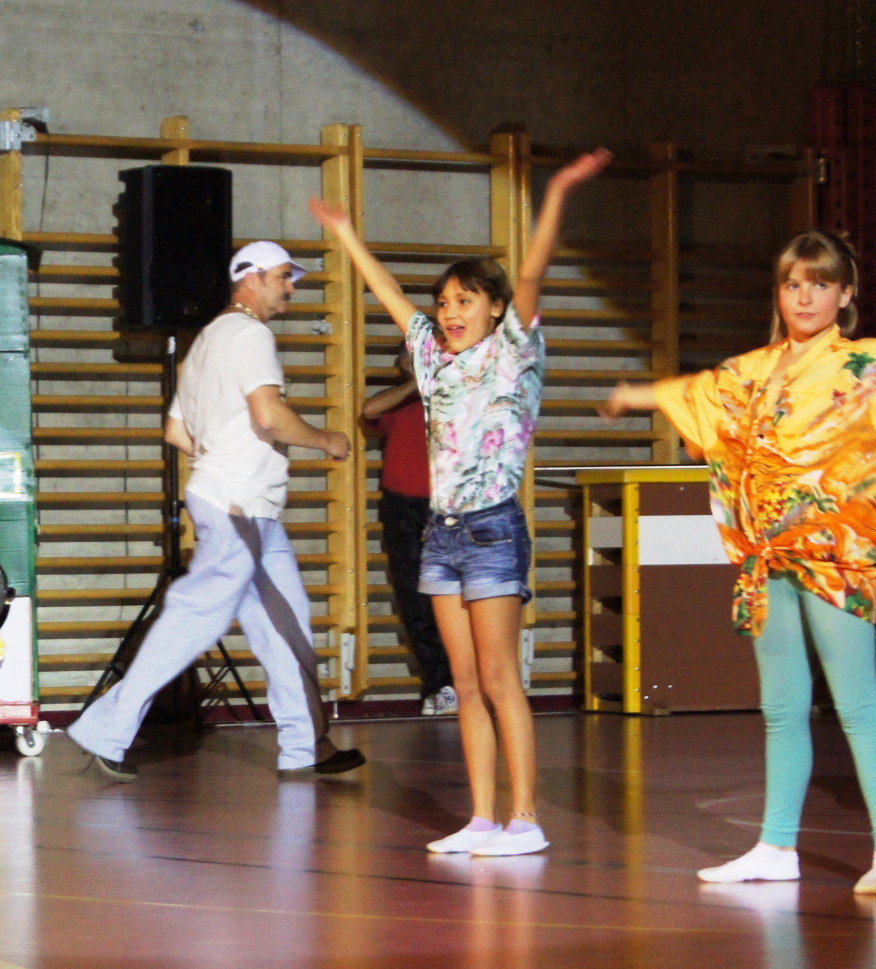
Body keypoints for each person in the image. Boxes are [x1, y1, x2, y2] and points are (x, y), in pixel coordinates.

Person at [601, 230, 876, 894]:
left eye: (820, 284)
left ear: (846, 294)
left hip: (833, 557)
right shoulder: (752, 369)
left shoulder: (869, 364)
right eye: (793, 284)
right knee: (781, 707)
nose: (805, 297)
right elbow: (700, 391)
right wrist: (636, 395)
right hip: (764, 558)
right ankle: (776, 845)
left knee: (857, 703)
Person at [311, 147, 611, 856]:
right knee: (465, 682)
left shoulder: (512, 351)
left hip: (492, 529)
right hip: (440, 533)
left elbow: (531, 271)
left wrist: (558, 193)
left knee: (502, 679)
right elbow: (389, 293)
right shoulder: (431, 361)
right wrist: (347, 234)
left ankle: (526, 817)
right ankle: (481, 817)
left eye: (465, 300)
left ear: (496, 308)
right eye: (444, 302)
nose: (449, 312)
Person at [66, 241, 365, 781]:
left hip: (242, 502)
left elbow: (176, 431)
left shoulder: (205, 342)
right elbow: (269, 416)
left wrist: (220, 458)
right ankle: (106, 729)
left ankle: (306, 744)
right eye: (283, 276)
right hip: (239, 503)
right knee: (193, 617)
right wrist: (327, 441)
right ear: (251, 278)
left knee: (286, 622)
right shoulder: (251, 335)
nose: (291, 287)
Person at [361, 344, 455, 716]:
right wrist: (417, 384)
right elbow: (369, 411)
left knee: (453, 595)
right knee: (415, 598)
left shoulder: (454, 393)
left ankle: (466, 681)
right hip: (402, 505)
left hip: (447, 504)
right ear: (403, 364)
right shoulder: (397, 401)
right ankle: (441, 684)